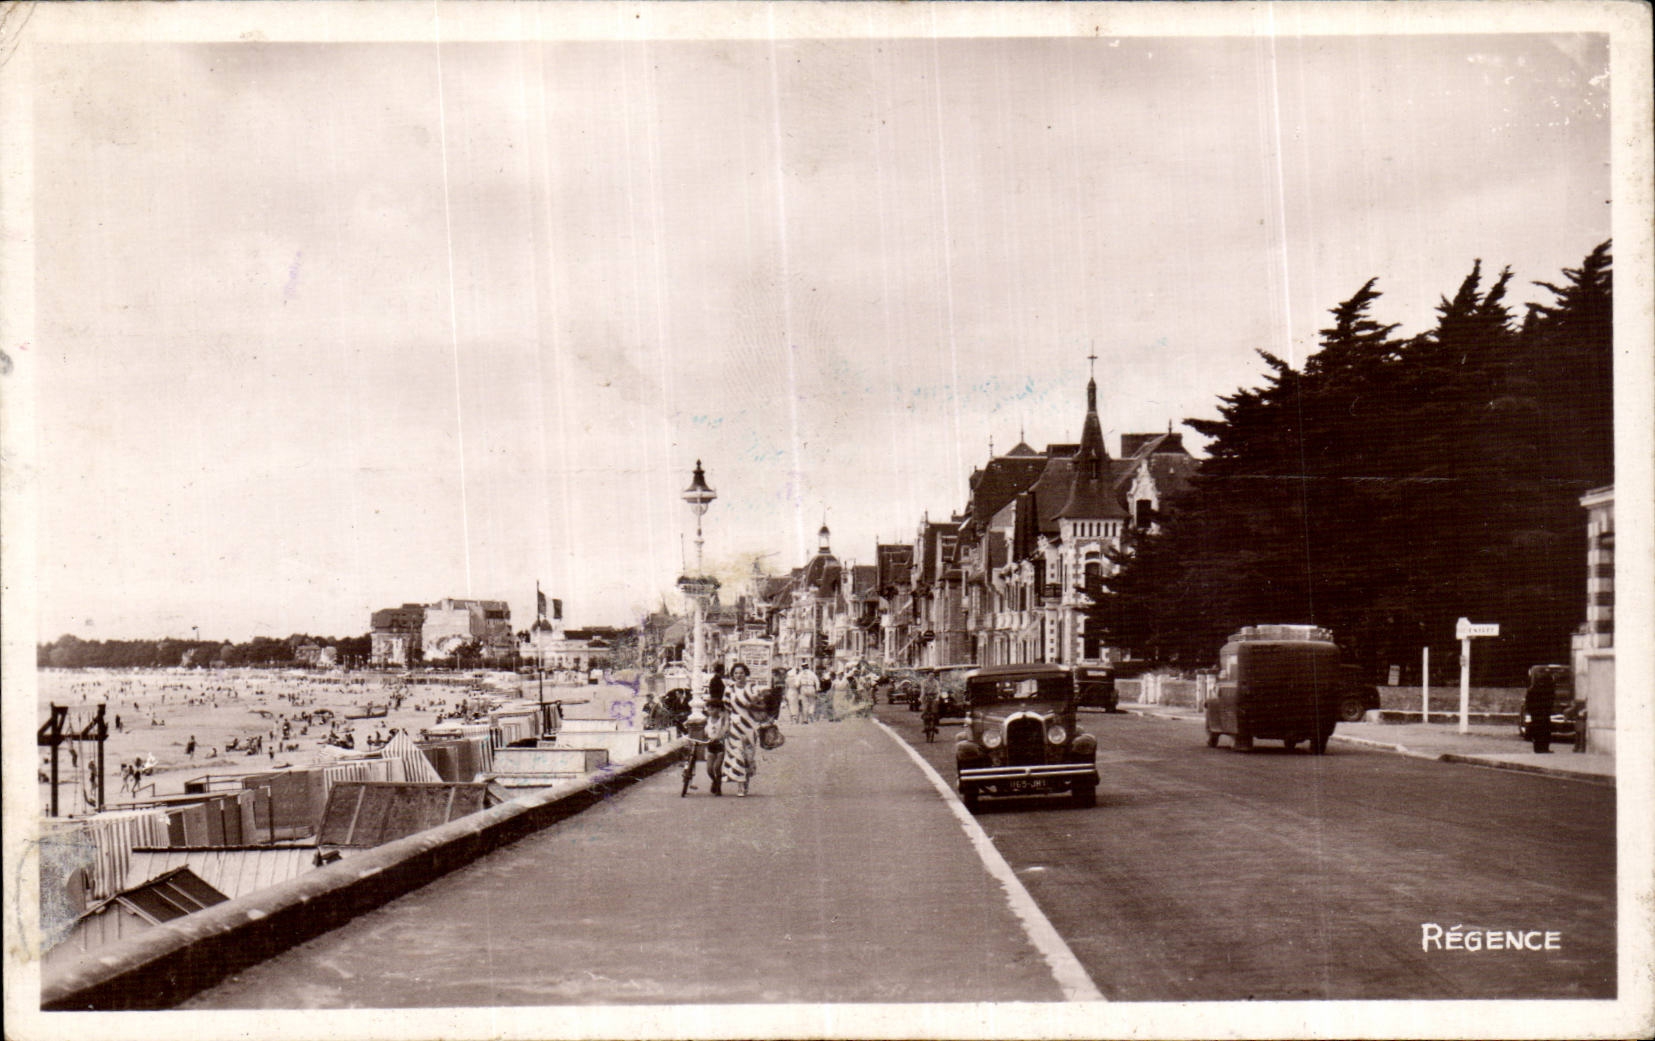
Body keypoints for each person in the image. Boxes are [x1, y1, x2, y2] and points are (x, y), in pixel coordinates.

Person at [720, 662, 766, 797]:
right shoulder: (729, 689)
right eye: (736, 673)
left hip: (751, 726)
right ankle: (740, 785)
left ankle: (746, 783)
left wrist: (752, 705)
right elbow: (726, 710)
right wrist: (725, 726)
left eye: (741, 673)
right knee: (737, 754)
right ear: (732, 675)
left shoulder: (753, 688)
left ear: (746, 674)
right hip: (735, 725)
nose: (738, 675)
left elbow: (763, 706)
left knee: (748, 757)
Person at [1524, 670, 1555, 753]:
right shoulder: (1548, 690)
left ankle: (1538, 748)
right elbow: (1550, 702)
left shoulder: (1532, 689)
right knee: (1545, 731)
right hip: (1544, 714)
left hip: (1536, 714)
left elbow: (1528, 702)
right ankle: (1544, 748)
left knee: (1537, 732)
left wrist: (1531, 712)